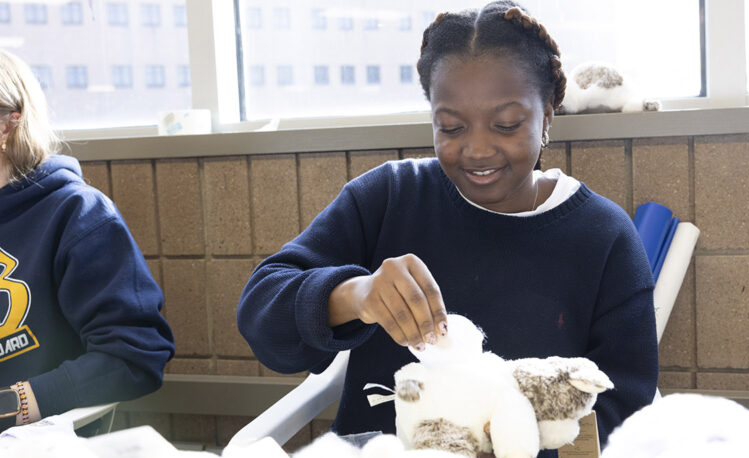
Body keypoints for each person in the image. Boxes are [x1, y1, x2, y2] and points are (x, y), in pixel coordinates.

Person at [238, 1, 657, 454]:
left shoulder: (602, 236)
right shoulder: (389, 197)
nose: (477, 149)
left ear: (548, 116)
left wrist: (512, 432)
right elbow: (263, 318)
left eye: (507, 124)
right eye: (451, 127)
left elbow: (624, 407)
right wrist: (354, 295)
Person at [0, 50, 174, 431]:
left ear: (7, 126)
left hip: (37, 442)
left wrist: (15, 404)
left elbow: (135, 354)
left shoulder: (77, 214)